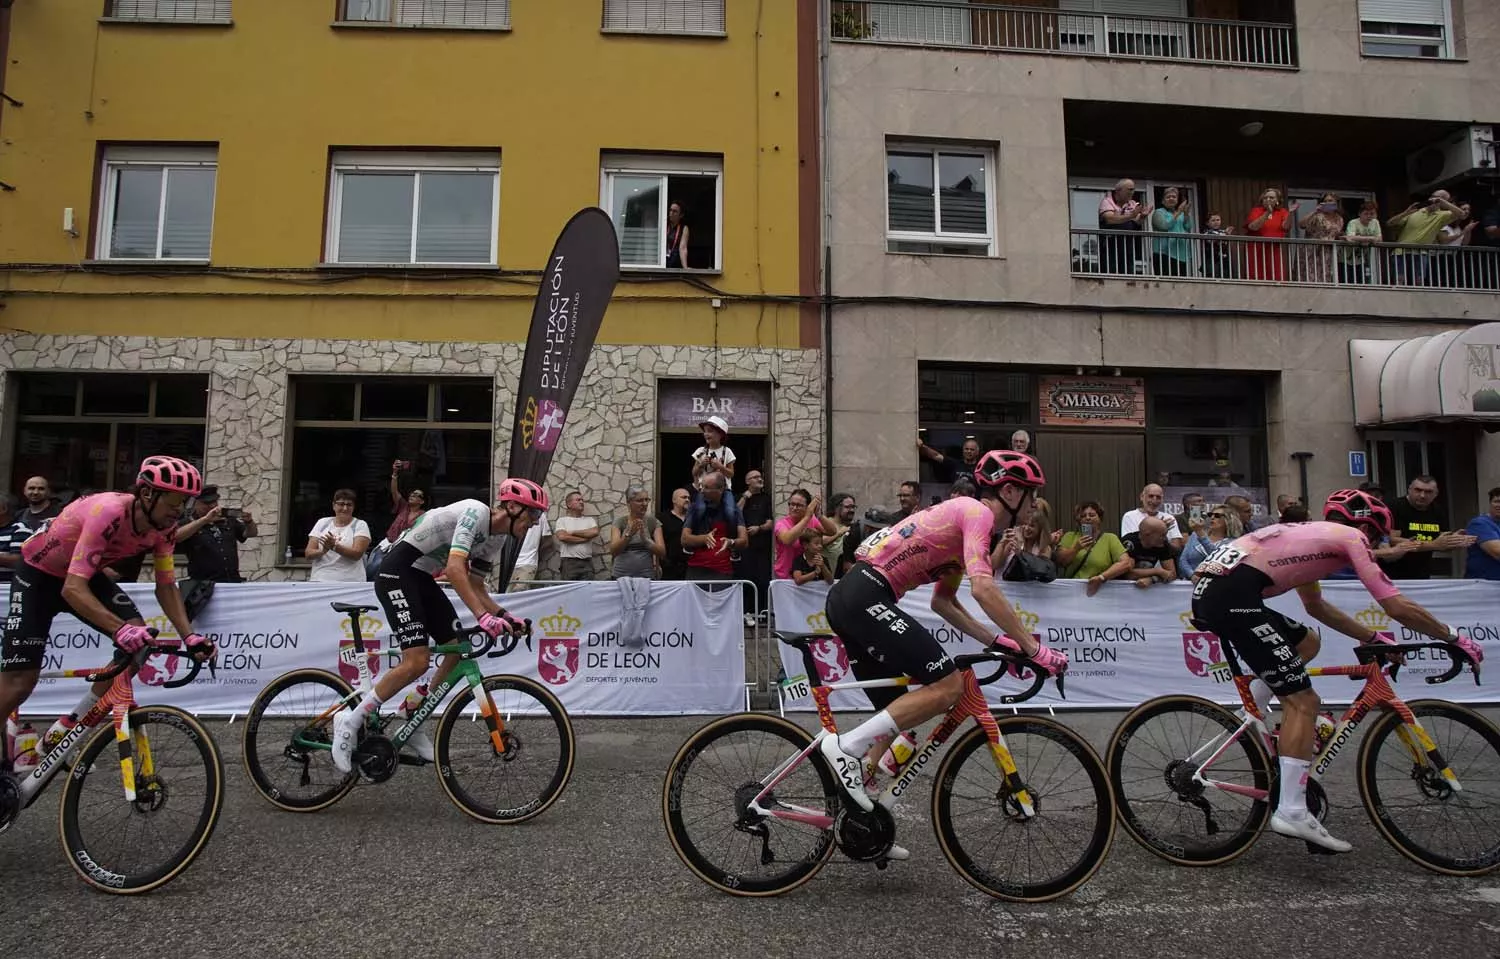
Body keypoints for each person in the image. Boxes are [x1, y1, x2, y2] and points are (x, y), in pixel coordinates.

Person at [1188, 488, 1482, 853]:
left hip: (1220, 592)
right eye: (1376, 537)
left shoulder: (1310, 538)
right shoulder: (1351, 537)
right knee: (1304, 702)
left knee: (1308, 643)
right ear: (1368, 528)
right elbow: (1396, 606)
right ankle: (1292, 811)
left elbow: (1317, 607)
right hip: (1231, 598)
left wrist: (1373, 637)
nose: (1373, 545)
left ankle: (1254, 712)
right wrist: (1454, 637)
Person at [818, 451, 1067, 859]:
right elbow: (984, 589)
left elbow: (945, 603)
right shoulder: (977, 513)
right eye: (1032, 493)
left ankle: (865, 820)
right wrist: (1033, 648)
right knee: (949, 685)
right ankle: (844, 748)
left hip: (856, 597)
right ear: (1009, 491)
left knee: (899, 719)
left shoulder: (965, 525)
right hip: (863, 595)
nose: (1035, 503)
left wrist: (996, 641)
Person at [0, 456, 215, 768]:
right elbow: (72, 589)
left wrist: (190, 637)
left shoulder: (164, 529)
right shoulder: (108, 511)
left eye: (185, 502)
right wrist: (119, 629)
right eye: (174, 501)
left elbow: (166, 586)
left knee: (140, 644)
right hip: (38, 575)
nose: (179, 510)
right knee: (20, 682)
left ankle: (63, 730)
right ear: (147, 494)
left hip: (83, 575)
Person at [331, 479, 547, 772]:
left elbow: (476, 585)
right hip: (397, 572)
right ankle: (350, 720)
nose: (535, 522)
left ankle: (414, 717)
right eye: (533, 514)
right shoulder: (475, 512)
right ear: (512, 507)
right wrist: (483, 617)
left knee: (457, 650)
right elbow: (455, 570)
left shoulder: (497, 538)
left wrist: (506, 616)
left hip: (420, 579)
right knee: (417, 661)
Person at [173, 485, 259, 621]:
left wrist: (249, 522)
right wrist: (204, 520)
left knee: (234, 620)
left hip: (231, 583)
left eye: (214, 502)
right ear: (196, 503)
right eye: (207, 504)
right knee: (207, 621)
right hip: (203, 586)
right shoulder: (188, 523)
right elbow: (176, 537)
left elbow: (250, 533)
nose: (212, 506)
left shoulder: (227, 520)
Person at [305, 490, 371, 582]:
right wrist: (322, 551)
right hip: (320, 579)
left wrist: (334, 547)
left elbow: (357, 554)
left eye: (349, 505)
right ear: (334, 506)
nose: (345, 508)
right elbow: (308, 554)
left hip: (351, 581)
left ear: (353, 507)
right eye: (341, 504)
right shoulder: (322, 523)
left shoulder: (360, 525)